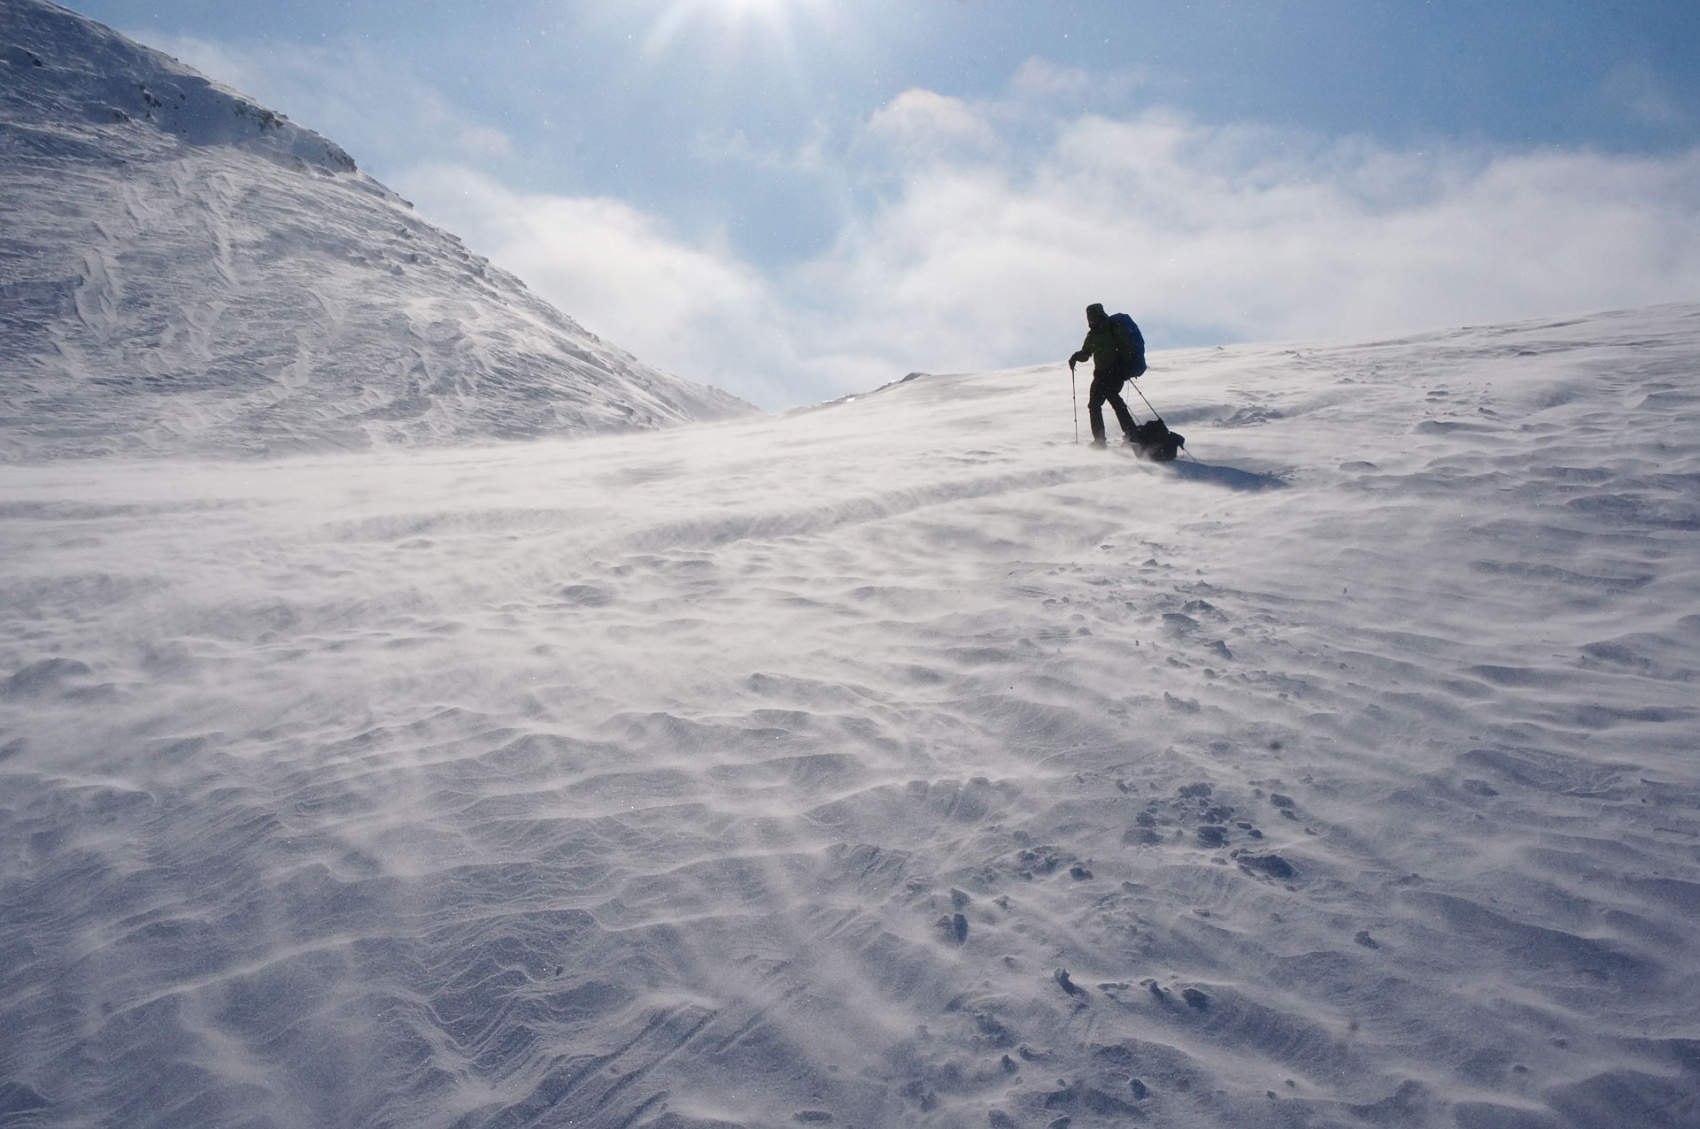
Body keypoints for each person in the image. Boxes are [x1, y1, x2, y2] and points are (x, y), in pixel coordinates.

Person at [1068, 303, 1145, 447]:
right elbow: (1086, 354)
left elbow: (1126, 349)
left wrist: (1122, 366)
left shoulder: (1113, 329)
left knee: (1105, 402)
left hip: (1113, 372)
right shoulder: (1095, 334)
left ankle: (1105, 439)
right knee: (1100, 403)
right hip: (1102, 375)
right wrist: (1075, 357)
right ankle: (1126, 434)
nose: (1091, 320)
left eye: (1092, 316)